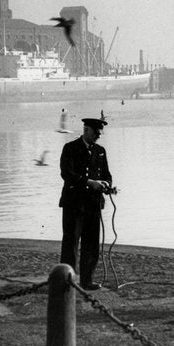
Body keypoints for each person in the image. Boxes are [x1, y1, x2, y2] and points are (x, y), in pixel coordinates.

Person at [59, 116, 113, 290]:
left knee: (91, 244)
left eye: (100, 133)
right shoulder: (70, 148)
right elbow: (67, 174)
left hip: (93, 205)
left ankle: (87, 281)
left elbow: (107, 175)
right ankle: (67, 281)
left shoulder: (101, 151)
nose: (99, 136)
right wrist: (90, 183)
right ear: (86, 130)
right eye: (96, 133)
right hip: (74, 204)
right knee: (71, 243)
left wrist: (107, 186)